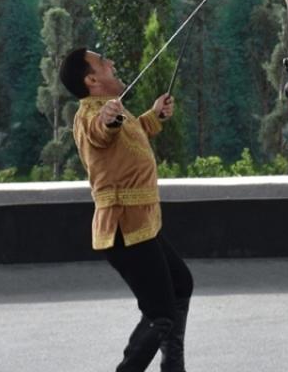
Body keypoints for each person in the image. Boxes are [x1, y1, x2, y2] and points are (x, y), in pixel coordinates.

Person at [59, 48, 190, 372]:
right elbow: (102, 133)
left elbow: (128, 134)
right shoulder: (90, 116)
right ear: (92, 80)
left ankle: (173, 368)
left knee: (180, 285)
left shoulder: (112, 110)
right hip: (124, 228)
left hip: (140, 225)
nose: (112, 64)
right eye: (103, 62)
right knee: (160, 311)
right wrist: (108, 120)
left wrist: (154, 116)